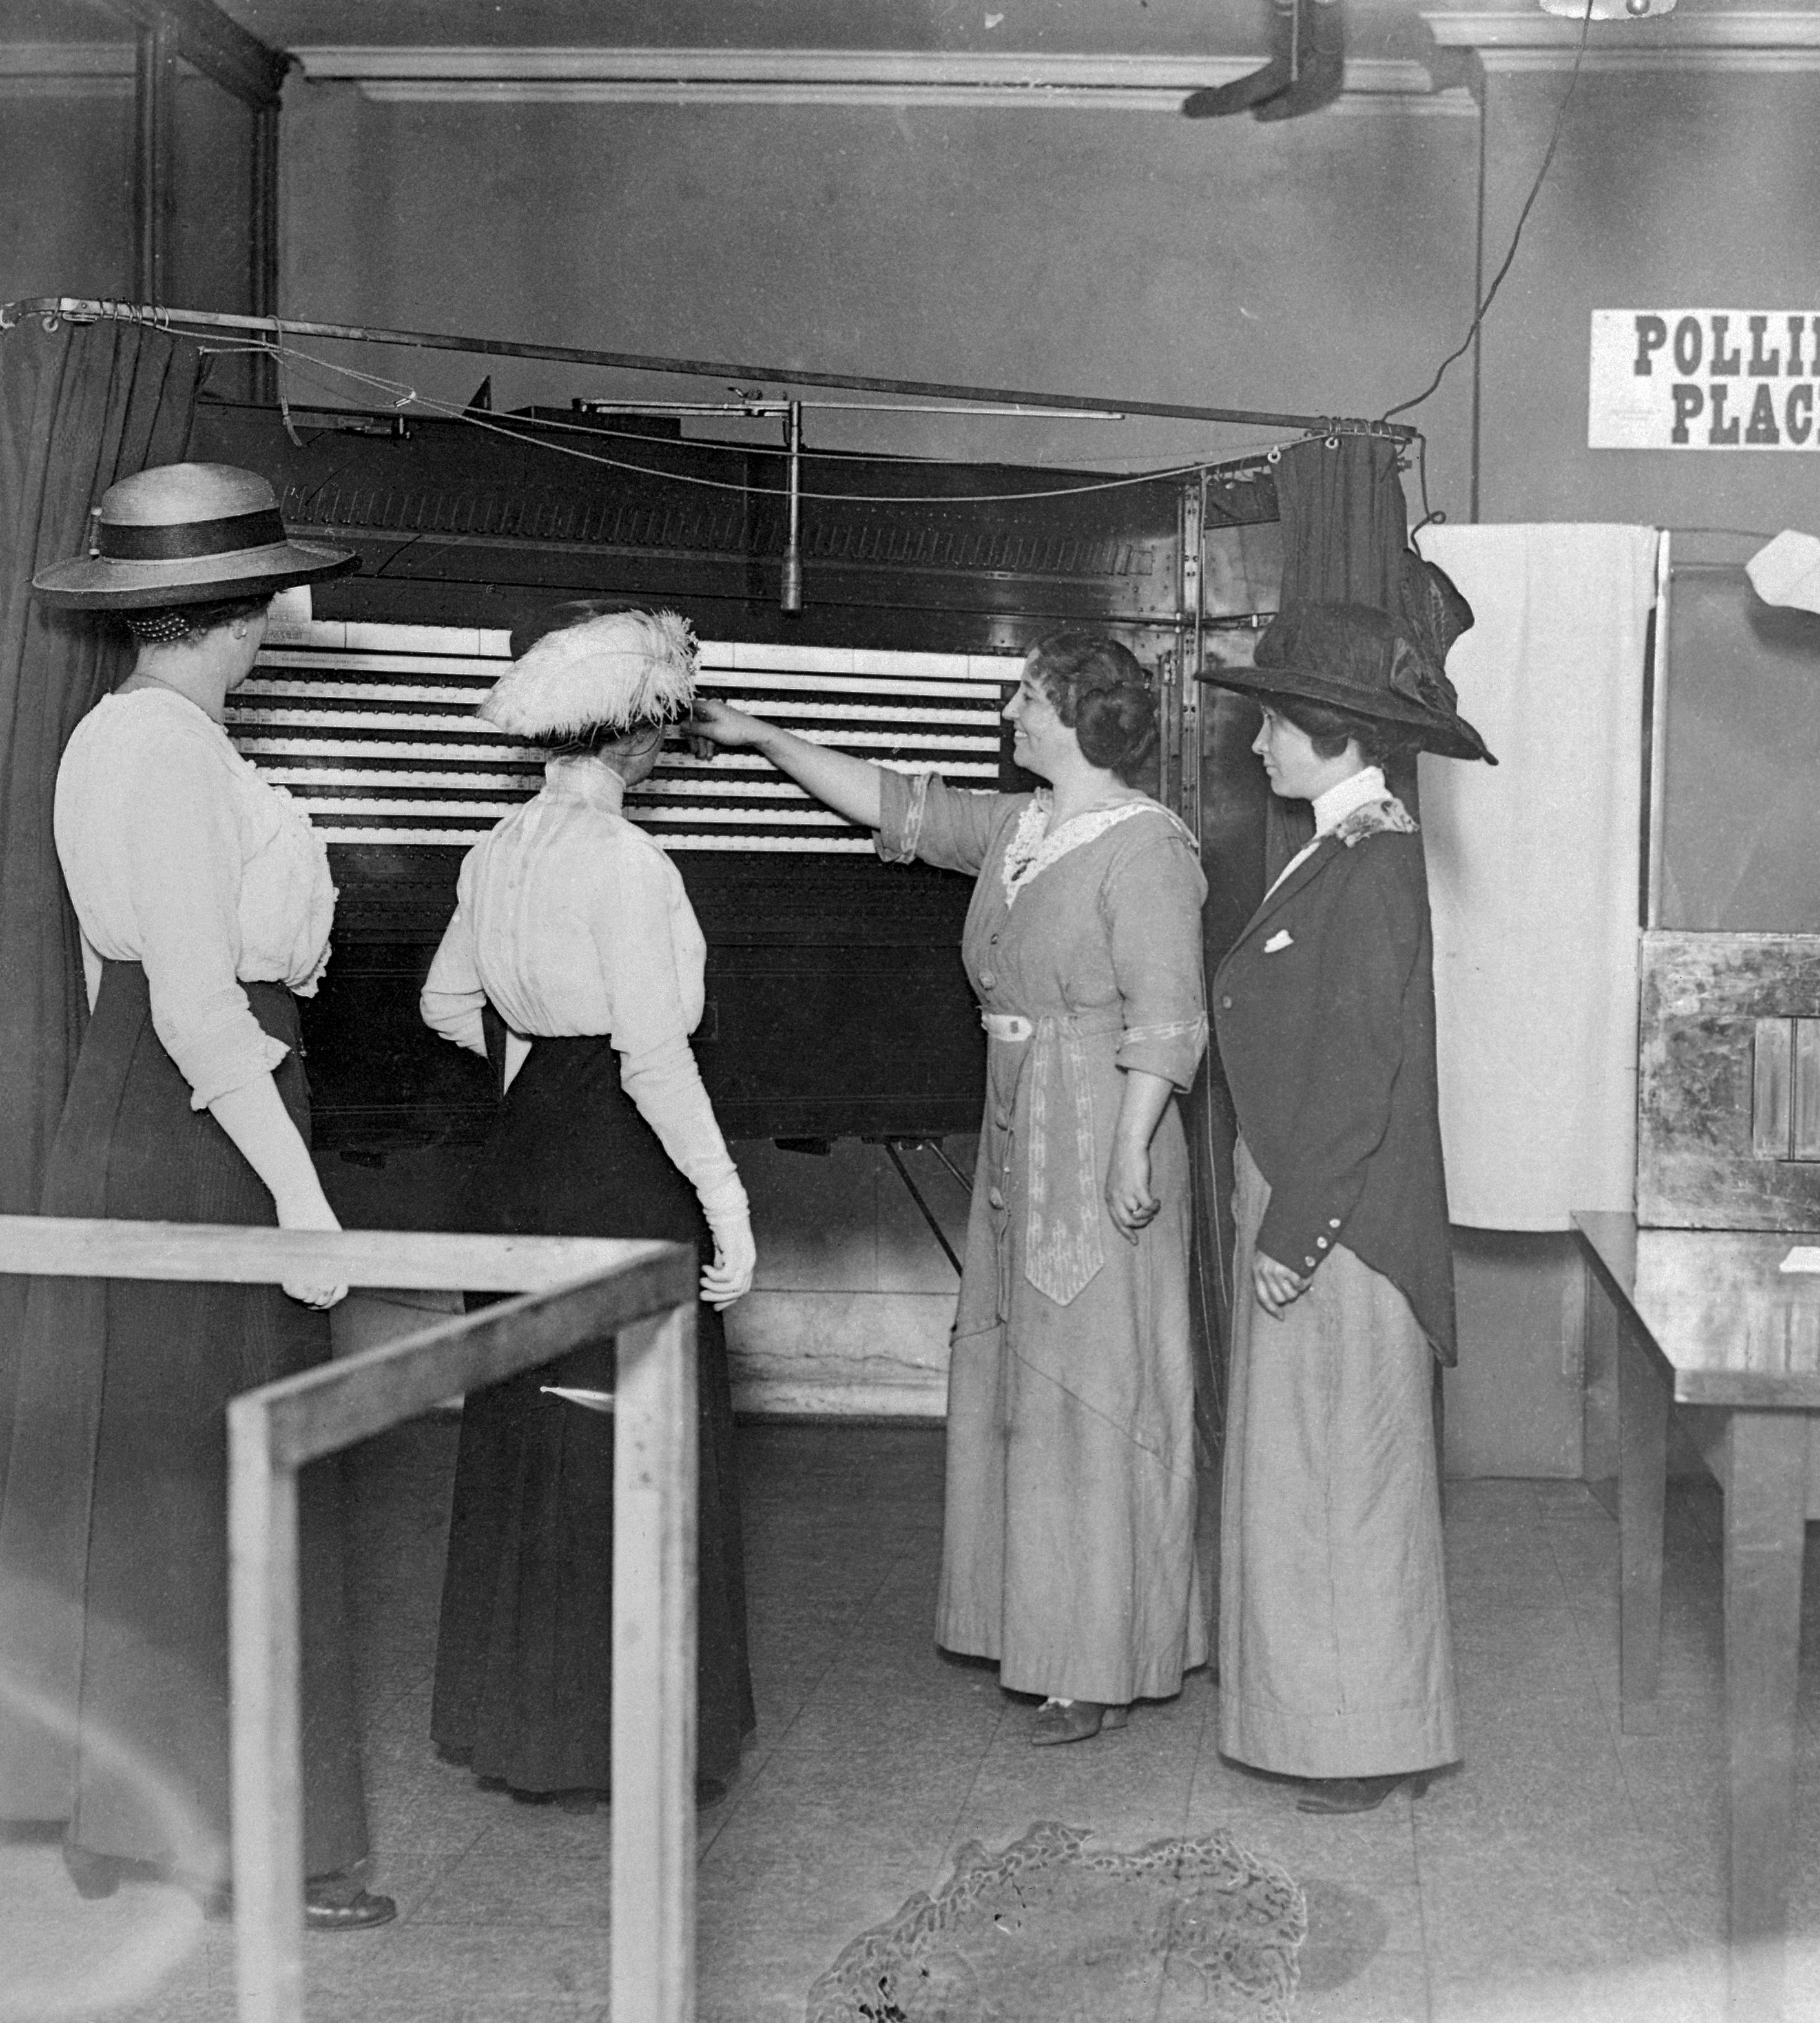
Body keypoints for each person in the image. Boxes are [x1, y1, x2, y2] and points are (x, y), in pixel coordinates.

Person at [0, 462, 392, 1925]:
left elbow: (115, 980)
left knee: (147, 1481)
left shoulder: (116, 737)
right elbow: (196, 1010)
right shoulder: (168, 755)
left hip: (131, 1119)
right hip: (204, 1129)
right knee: (229, 1485)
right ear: (246, 607)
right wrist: (302, 1203)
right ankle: (247, 1848)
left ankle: (122, 1814)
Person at [693, 630, 1206, 1744]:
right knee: (1025, 1377)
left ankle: (1100, 1661)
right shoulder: (1023, 828)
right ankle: (1039, 1632)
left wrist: (1128, 1152)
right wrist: (758, 735)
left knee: (1094, 1387)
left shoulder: (1148, 847)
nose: (1008, 710)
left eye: (1026, 694)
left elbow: (1169, 1018)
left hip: (1106, 1131)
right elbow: (895, 804)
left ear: (1077, 712)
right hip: (1025, 1120)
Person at [420, 601, 760, 1802]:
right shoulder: (629, 861)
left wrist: (536, 1075)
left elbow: (445, 1006)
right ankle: (622, 1739)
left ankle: (516, 1722)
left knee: (533, 1422)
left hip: (522, 1154)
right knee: (633, 1431)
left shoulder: (496, 846)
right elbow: (655, 1059)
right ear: (642, 739)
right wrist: (726, 1201)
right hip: (621, 1160)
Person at [1195, 602, 1494, 1813]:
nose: (1258, 744)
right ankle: (1345, 1725)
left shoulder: (1368, 862)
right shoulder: (1342, 844)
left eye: (1271, 722)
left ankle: (1367, 1740)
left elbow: (1361, 1074)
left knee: (1339, 1482)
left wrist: (1293, 1228)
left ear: (1325, 731)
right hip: (1319, 1190)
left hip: (1344, 1214)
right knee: (1319, 1479)